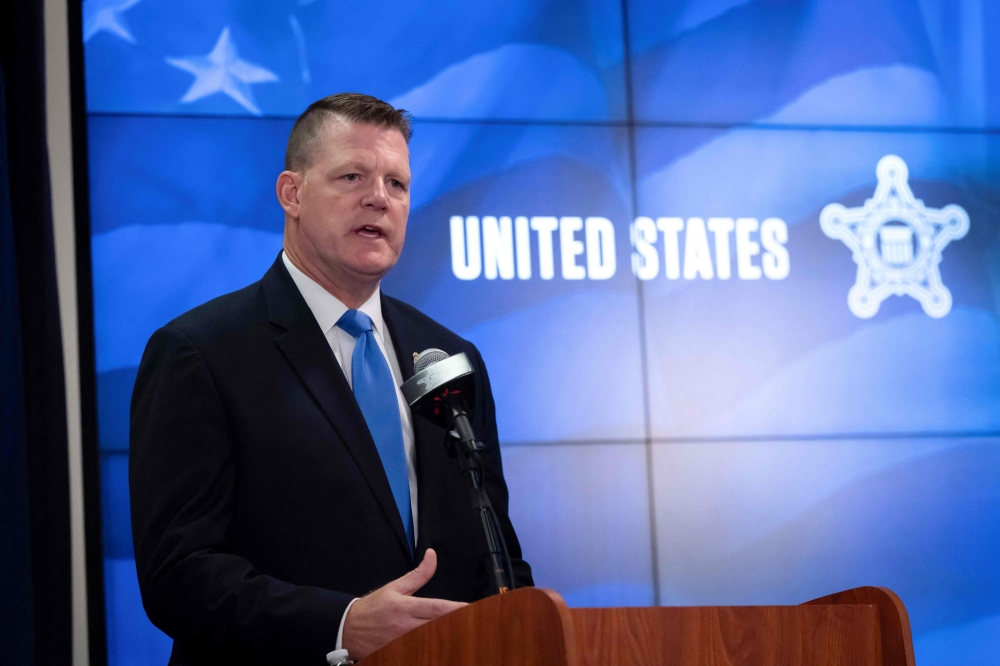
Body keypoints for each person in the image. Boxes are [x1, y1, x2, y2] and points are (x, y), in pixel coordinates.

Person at [129, 93, 533, 666]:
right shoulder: (201, 353)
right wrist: (341, 623)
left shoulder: (448, 359)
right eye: (352, 176)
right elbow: (178, 575)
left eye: (397, 184)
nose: (379, 198)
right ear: (291, 194)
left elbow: (495, 552)